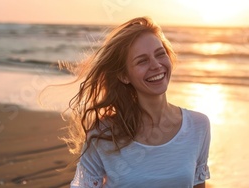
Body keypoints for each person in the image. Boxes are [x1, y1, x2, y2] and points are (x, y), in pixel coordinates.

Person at [64, 16, 211, 188]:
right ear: (124, 75)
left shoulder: (198, 125)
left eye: (160, 54)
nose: (156, 65)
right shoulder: (103, 133)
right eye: (142, 61)